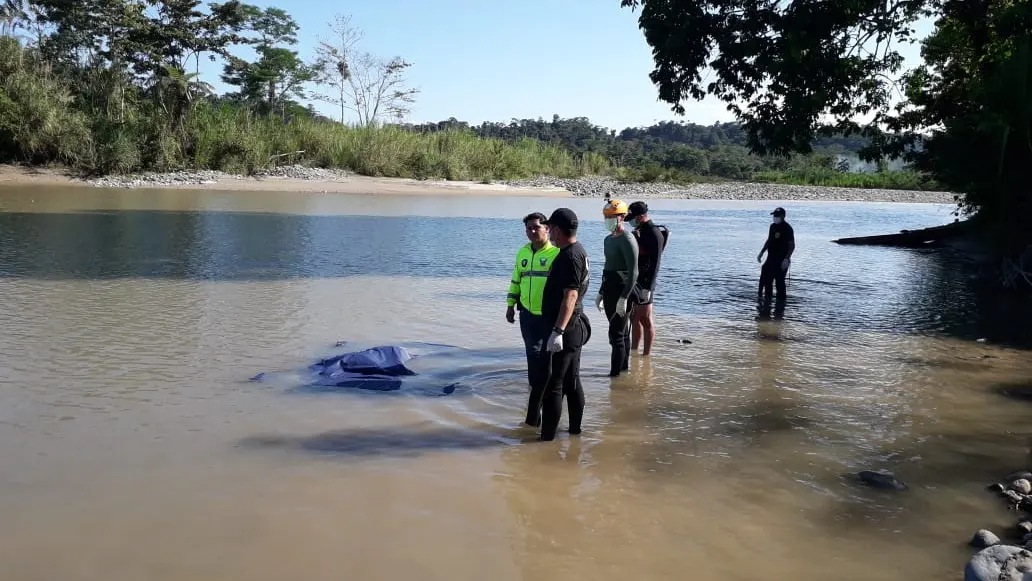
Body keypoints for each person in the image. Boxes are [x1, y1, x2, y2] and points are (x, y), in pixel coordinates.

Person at [534, 207, 591, 441]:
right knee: (571, 381)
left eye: (550, 229)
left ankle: (545, 440)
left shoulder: (569, 255)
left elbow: (571, 295)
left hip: (567, 329)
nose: (549, 233)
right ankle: (575, 433)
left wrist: (557, 331)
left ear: (556, 229)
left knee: (554, 386)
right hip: (573, 326)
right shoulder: (577, 250)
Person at [505, 212, 561, 427]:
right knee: (532, 355)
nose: (532, 231)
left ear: (547, 228)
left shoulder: (557, 253)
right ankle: (534, 397)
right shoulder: (523, 252)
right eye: (528, 228)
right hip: (527, 315)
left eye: (536, 227)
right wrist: (510, 305)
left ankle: (546, 399)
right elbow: (515, 280)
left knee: (546, 361)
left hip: (548, 316)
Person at [594, 199, 638, 377]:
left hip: (622, 290)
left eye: (613, 217)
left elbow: (634, 272)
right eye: (606, 217)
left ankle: (615, 378)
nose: (609, 220)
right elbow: (607, 266)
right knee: (621, 334)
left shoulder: (628, 239)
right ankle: (624, 371)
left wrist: (624, 297)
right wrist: (600, 292)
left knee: (616, 335)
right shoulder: (608, 239)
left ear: (623, 217)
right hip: (609, 288)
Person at [625, 201, 667, 356]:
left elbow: (656, 263)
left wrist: (648, 288)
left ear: (642, 216)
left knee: (645, 320)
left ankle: (646, 355)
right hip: (635, 281)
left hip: (646, 284)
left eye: (633, 217)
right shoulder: (639, 231)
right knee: (633, 318)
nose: (630, 220)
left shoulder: (654, 233)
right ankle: (634, 353)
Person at [756, 206, 795, 319]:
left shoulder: (787, 228)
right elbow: (769, 240)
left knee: (779, 283)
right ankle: (765, 308)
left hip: (781, 260)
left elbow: (792, 246)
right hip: (770, 258)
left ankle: (780, 309)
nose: (775, 218)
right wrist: (762, 252)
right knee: (766, 280)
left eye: (777, 216)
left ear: (783, 216)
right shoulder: (772, 227)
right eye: (774, 216)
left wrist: (787, 259)